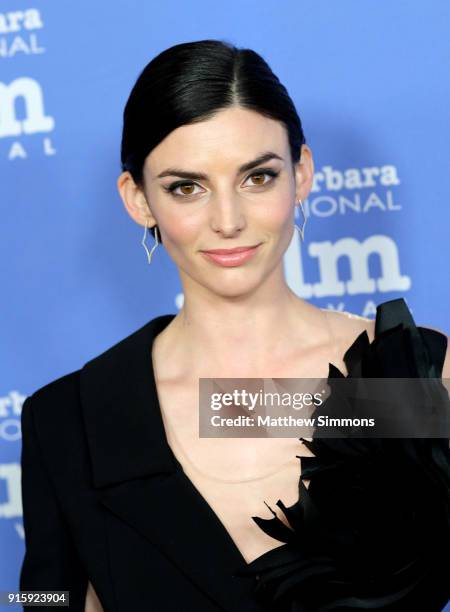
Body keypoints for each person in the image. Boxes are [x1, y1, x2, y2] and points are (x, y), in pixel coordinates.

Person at [19, 39, 450, 612]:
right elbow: (44, 598)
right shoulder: (72, 421)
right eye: (186, 187)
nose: (228, 220)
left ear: (302, 174)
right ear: (138, 200)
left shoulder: (416, 380)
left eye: (257, 178)